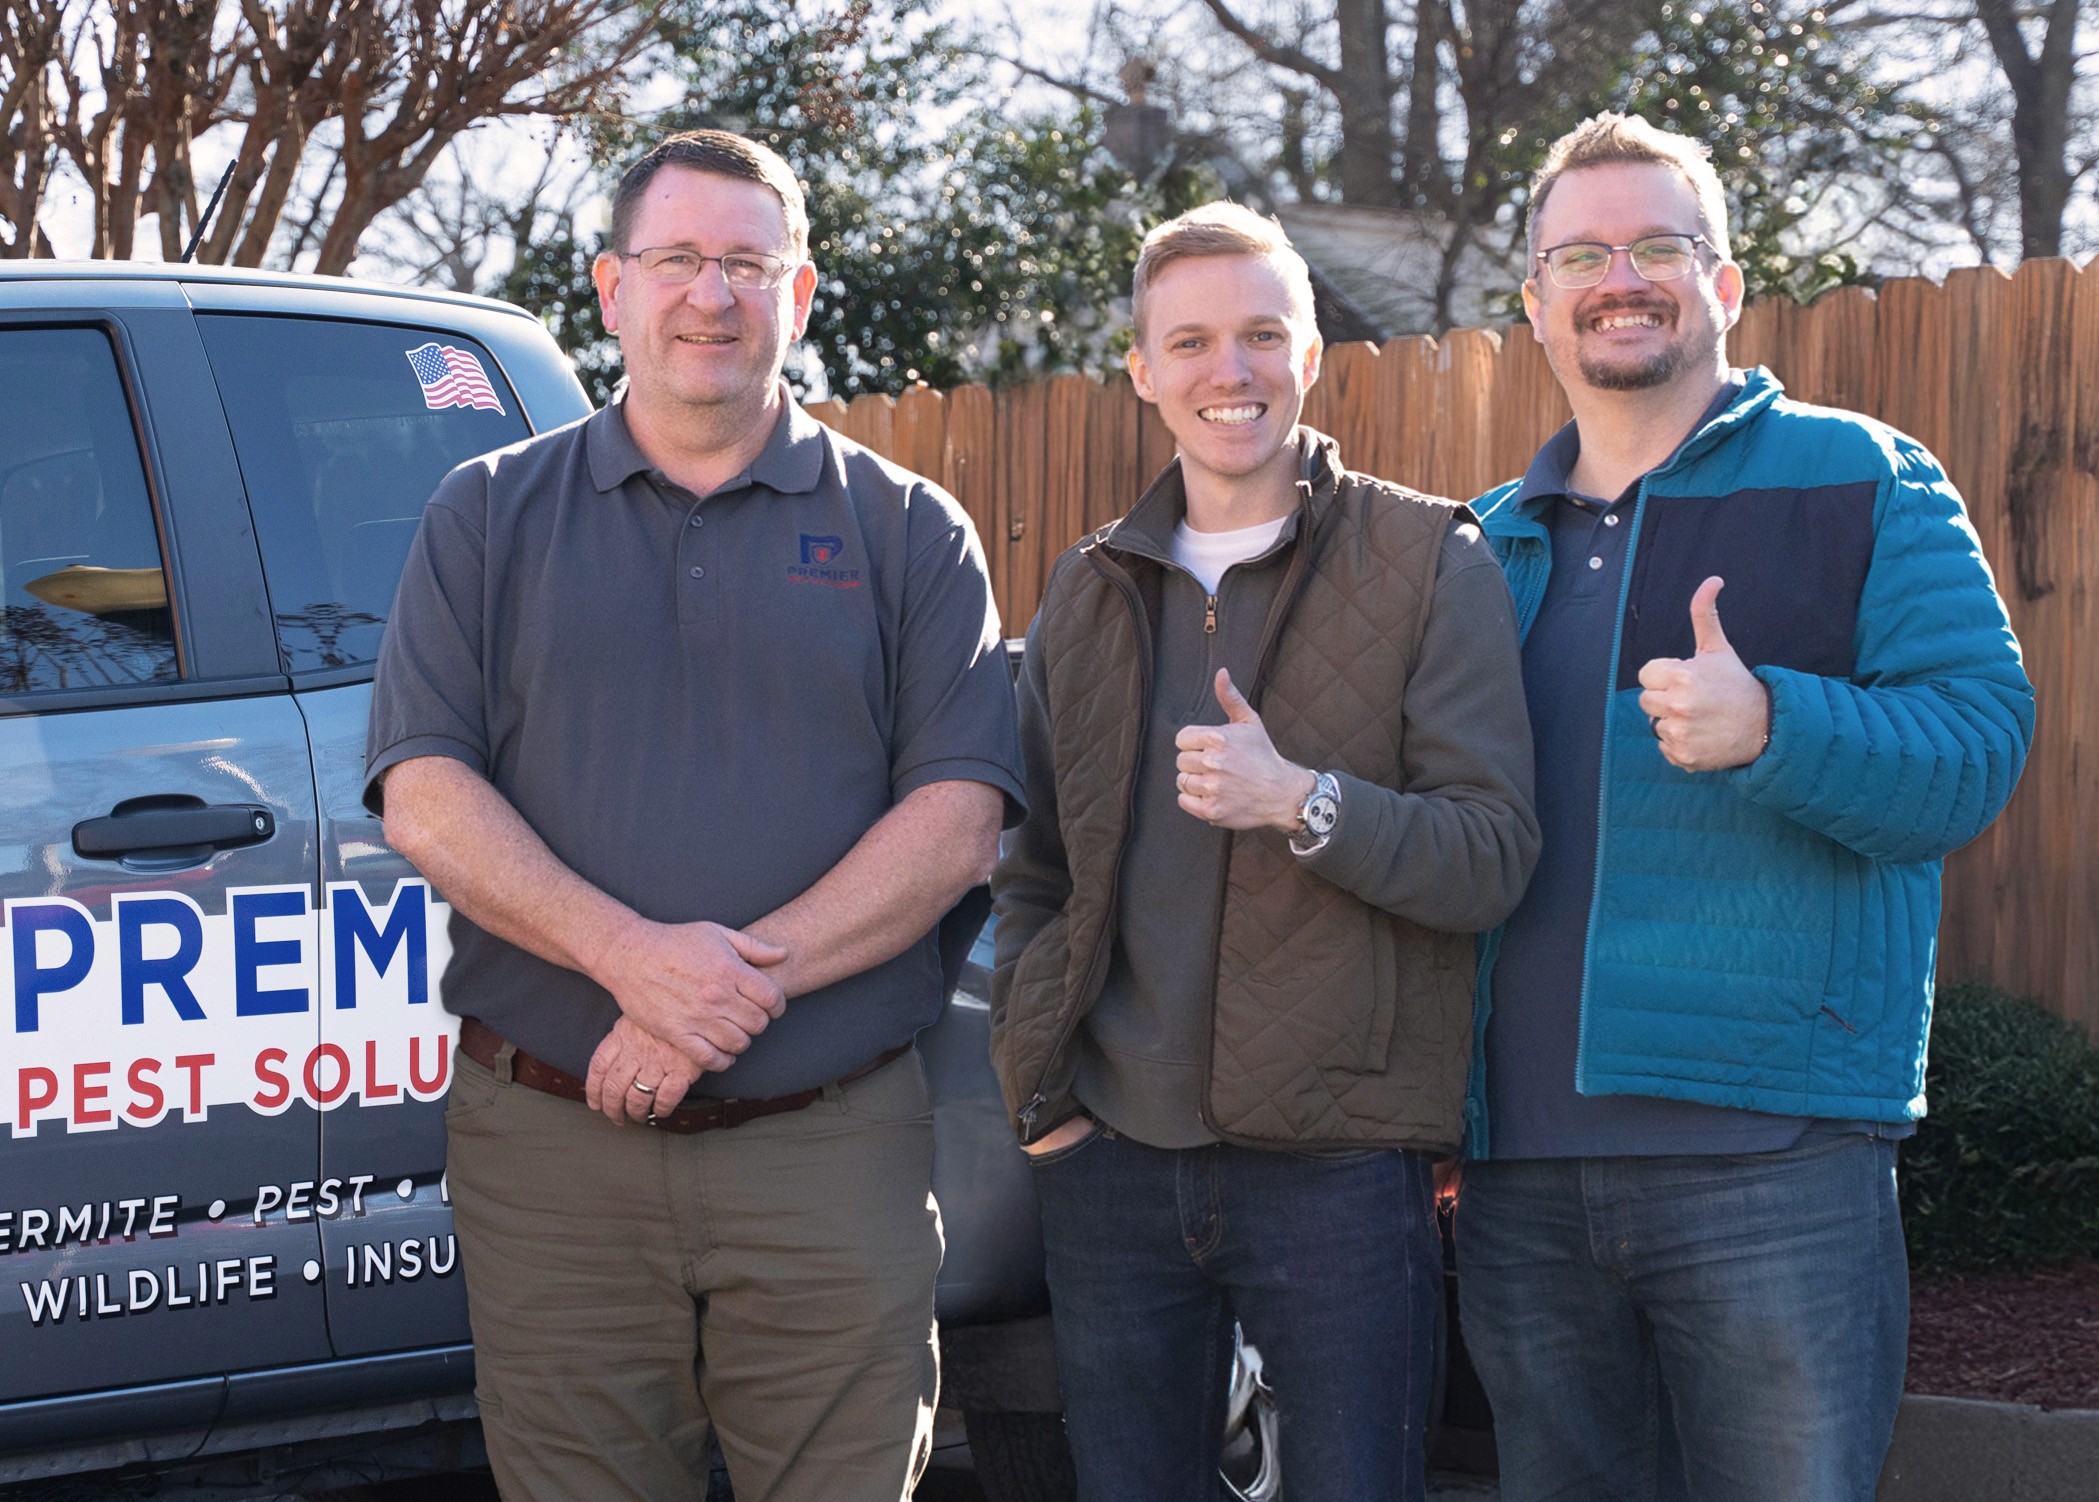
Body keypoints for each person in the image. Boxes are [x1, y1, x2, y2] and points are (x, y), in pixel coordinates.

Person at [363, 130, 1023, 1502]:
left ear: (802, 290)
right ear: (610, 287)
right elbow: (426, 794)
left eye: (746, 263)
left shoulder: (908, 530)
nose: (709, 296)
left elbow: (959, 819)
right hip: (552, 1152)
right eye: (676, 260)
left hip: (827, 1146)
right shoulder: (487, 514)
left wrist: (700, 1001)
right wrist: (633, 962)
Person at [1457, 112, 2035, 1502]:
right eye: (1581, 251)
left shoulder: (1862, 479)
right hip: (1514, 1178)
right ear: (1534, 299)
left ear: (1722, 285)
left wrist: (1776, 723)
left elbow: (1974, 747)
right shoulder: (1481, 543)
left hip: (1767, 1168)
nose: (1620, 275)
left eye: (1660, 245)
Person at [989, 202, 1539, 1501]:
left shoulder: (1428, 558)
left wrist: (1302, 799)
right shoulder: (1085, 590)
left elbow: (1493, 855)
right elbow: (1031, 873)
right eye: (1187, 341)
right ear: (1139, 371)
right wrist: (1042, 1098)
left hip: (1340, 1172)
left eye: (1257, 335)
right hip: (1111, 1161)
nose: (1224, 372)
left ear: (1312, 357)